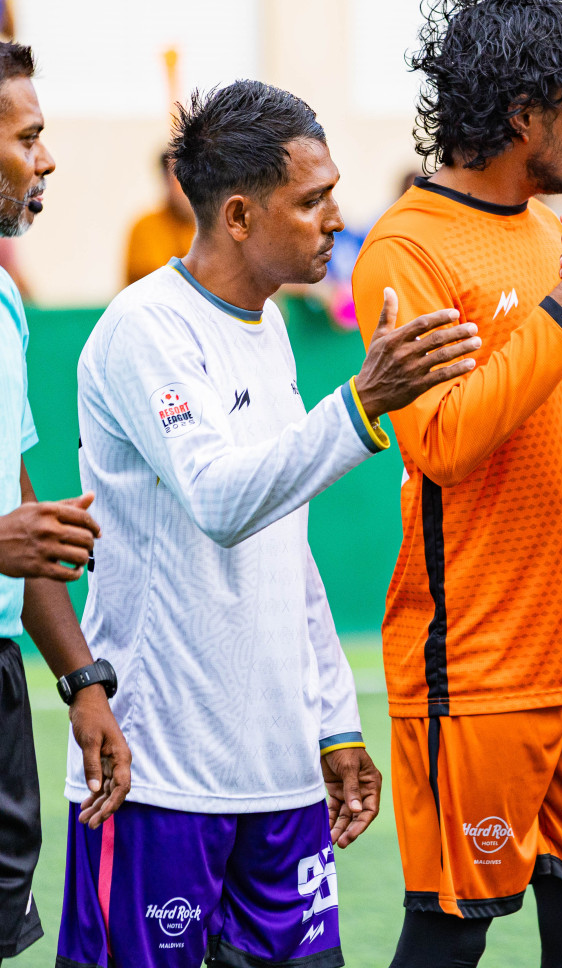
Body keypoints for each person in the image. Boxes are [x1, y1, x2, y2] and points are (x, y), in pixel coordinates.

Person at [59, 79, 479, 968]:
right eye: (314, 199)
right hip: (160, 780)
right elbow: (220, 500)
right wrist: (365, 402)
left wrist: (330, 721)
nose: (337, 218)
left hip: (280, 785)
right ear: (241, 215)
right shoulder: (144, 331)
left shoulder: (274, 326)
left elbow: (284, 539)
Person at [348, 0, 562, 968]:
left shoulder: (548, 234)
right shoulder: (408, 248)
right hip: (477, 673)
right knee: (450, 934)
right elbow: (440, 441)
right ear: (523, 112)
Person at [0, 40, 131, 964]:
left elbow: (18, 510)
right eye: (30, 137)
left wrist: (81, 681)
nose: (46, 160)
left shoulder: (3, 298)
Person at [122, 148, 195, 288]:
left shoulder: (218, 228)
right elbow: (159, 284)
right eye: (181, 178)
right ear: (167, 181)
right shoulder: (147, 228)